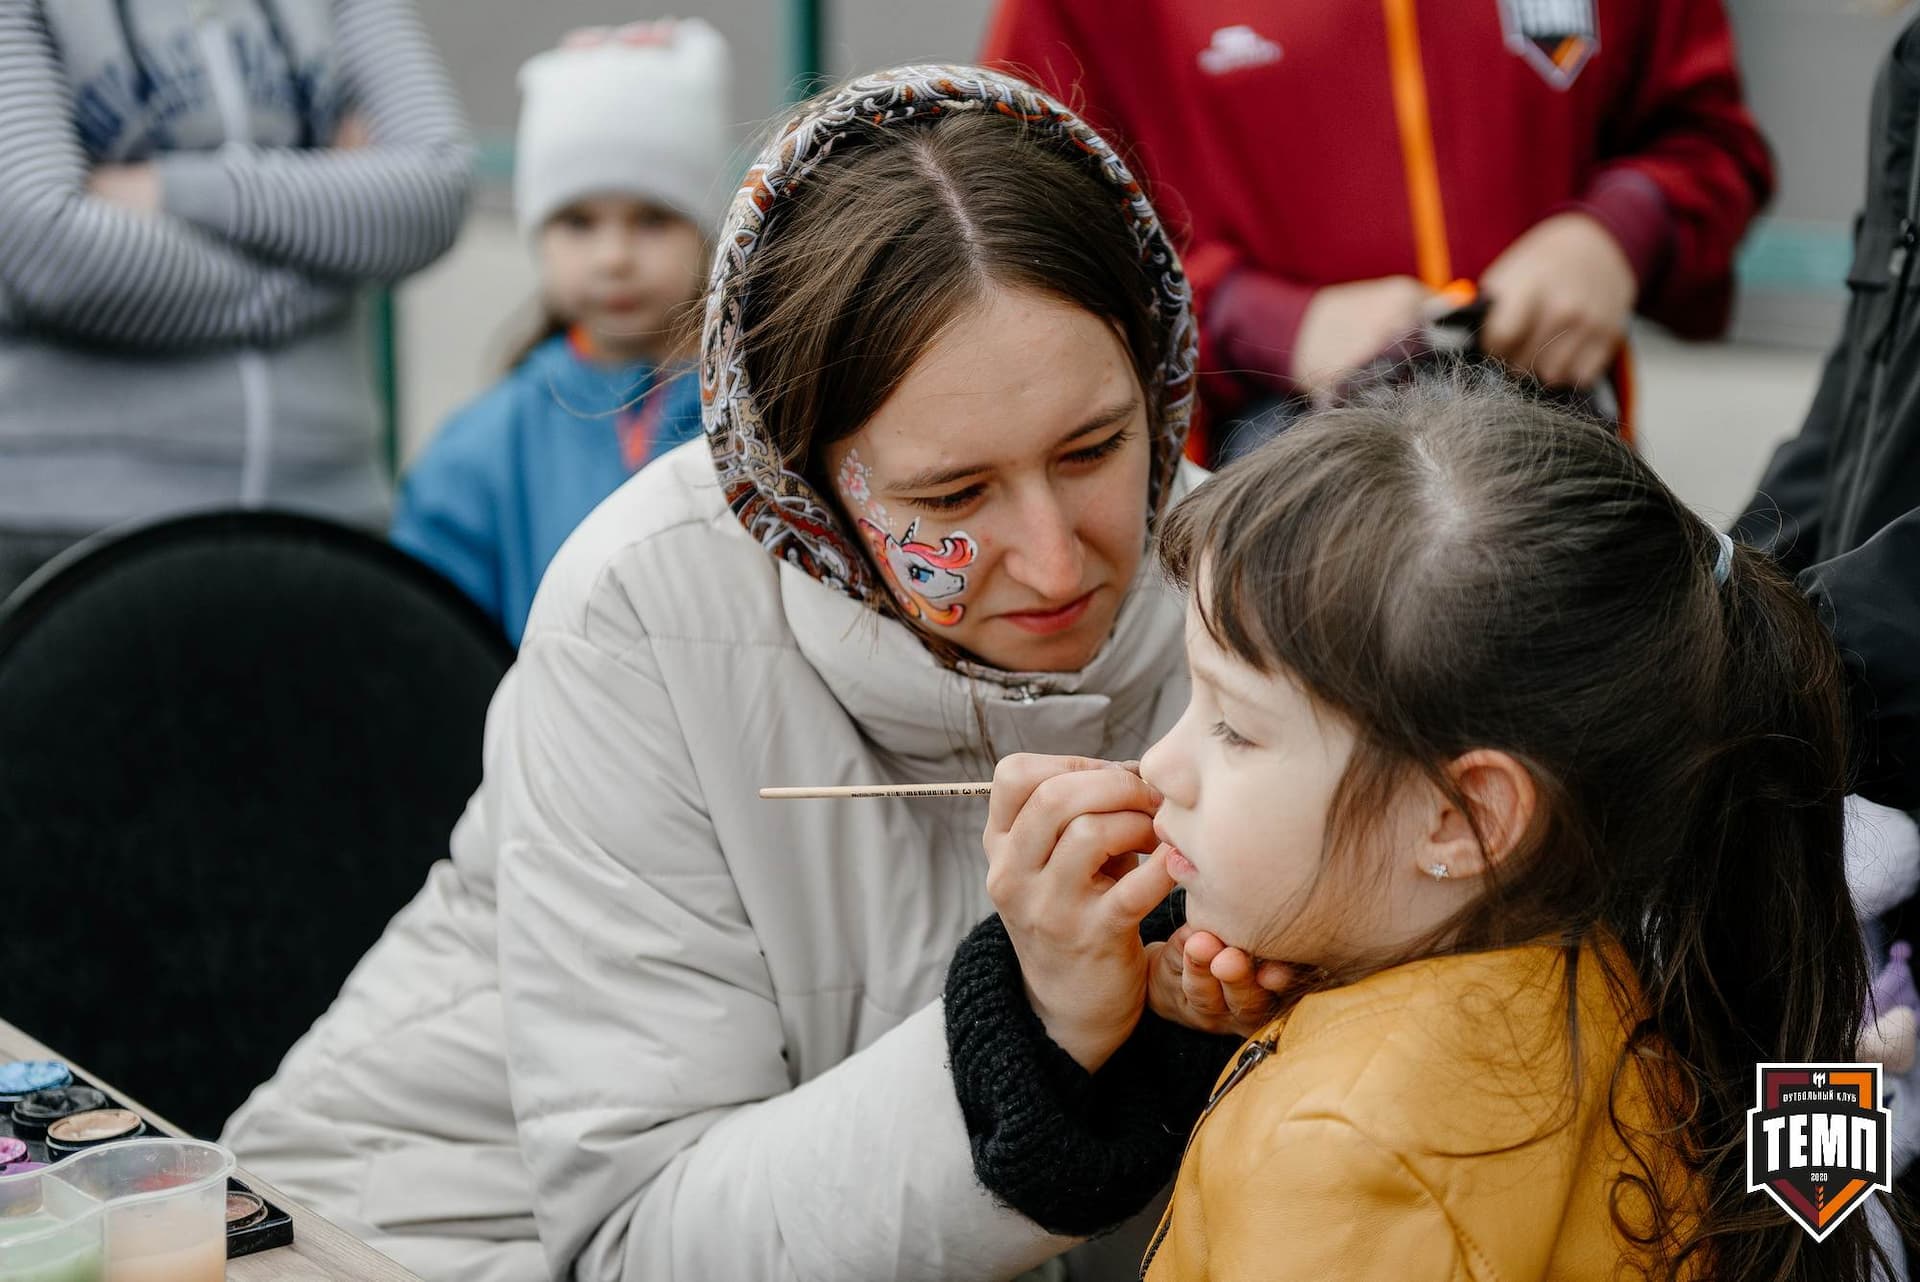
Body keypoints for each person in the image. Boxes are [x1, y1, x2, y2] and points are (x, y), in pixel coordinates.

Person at [223, 66, 1207, 1282]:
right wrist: (1035, 1038)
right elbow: (641, 1241)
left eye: (1095, 446)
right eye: (950, 495)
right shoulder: (635, 613)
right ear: (805, 483)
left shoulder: (1249, 594)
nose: (1056, 558)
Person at [946, 372, 1896, 1279]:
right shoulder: (1627, 931)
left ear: (1463, 818)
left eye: (1234, 725)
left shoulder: (1339, 1156)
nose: (1158, 767)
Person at [982, 0, 1774, 459]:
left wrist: (1613, 234)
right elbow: (1033, 231)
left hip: (1553, 446)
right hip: (1266, 458)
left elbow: (1710, 142)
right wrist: (1264, 320)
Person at [0, 0, 472, 602]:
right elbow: (48, 252)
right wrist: (332, 252)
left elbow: (438, 189)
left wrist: (171, 190)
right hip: (69, 532)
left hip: (328, 516)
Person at [390, 20, 725, 645]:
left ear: (706, 231)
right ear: (538, 235)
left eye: (652, 219)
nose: (614, 256)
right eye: (578, 222)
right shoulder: (481, 449)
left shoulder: (757, 414)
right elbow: (430, 639)